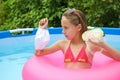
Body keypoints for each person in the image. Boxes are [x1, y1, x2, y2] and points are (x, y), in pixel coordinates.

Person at [35, 8, 120, 69]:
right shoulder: (62, 44)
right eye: (62, 28)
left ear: (78, 27)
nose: (63, 31)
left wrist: (103, 44)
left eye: (66, 28)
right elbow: (38, 52)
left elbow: (118, 57)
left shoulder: (90, 46)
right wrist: (42, 30)